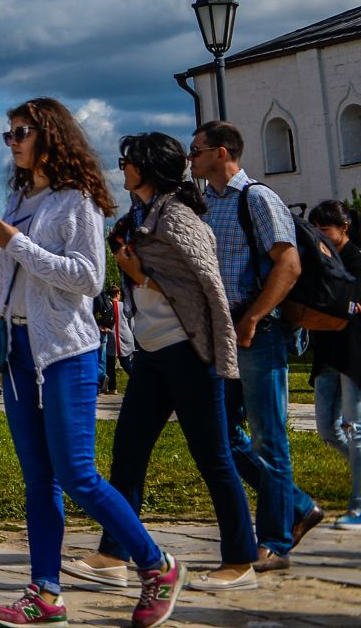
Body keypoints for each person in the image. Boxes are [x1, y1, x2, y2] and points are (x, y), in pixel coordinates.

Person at [0, 99, 184, 628]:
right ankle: (45, 592)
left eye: (20, 132)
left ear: (50, 136)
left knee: (77, 473)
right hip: (19, 350)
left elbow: (89, 279)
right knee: (38, 478)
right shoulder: (22, 197)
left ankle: (156, 565)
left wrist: (20, 244)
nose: (13, 141)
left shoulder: (78, 201)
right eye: (9, 134)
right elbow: (6, 285)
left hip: (65, 351)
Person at [61, 131, 255, 592]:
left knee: (214, 457)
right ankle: (113, 555)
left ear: (146, 167)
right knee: (127, 456)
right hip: (152, 354)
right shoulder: (141, 216)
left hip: (188, 353)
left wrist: (140, 275)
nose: (121, 166)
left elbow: (207, 289)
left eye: (127, 160)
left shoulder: (180, 217)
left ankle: (241, 560)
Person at [190, 120, 322, 568]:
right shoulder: (206, 203)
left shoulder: (258, 199)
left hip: (256, 330)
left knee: (269, 438)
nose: (192, 158)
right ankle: (299, 506)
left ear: (221, 152)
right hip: (222, 332)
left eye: (197, 150)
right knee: (221, 436)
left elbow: (288, 265)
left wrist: (254, 318)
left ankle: (275, 542)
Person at [306, 200, 361, 529]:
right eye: (314, 229)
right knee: (328, 430)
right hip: (326, 354)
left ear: (344, 229)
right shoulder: (319, 261)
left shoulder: (356, 260)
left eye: (323, 230)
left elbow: (347, 306)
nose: (318, 236)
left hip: (353, 353)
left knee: (355, 429)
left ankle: (359, 506)